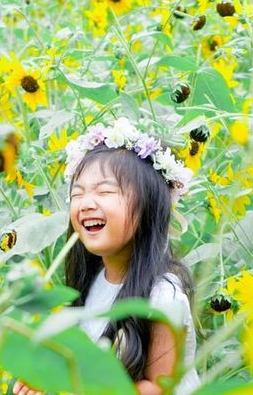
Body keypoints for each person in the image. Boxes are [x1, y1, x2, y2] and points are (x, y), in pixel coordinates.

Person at [13, 118, 199, 395]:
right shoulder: (92, 281)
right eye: (78, 194)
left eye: (105, 191)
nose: (86, 203)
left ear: (148, 207)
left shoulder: (163, 297)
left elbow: (158, 389)